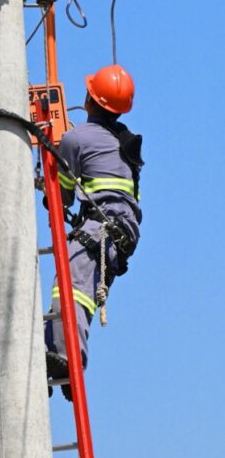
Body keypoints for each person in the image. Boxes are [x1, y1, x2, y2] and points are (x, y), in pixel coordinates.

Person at [45, 64, 143, 395]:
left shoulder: (76, 139)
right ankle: (53, 356)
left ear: (89, 99)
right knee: (78, 288)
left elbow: (61, 195)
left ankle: (68, 360)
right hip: (122, 230)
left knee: (69, 289)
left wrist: (54, 156)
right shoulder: (126, 141)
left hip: (101, 227)